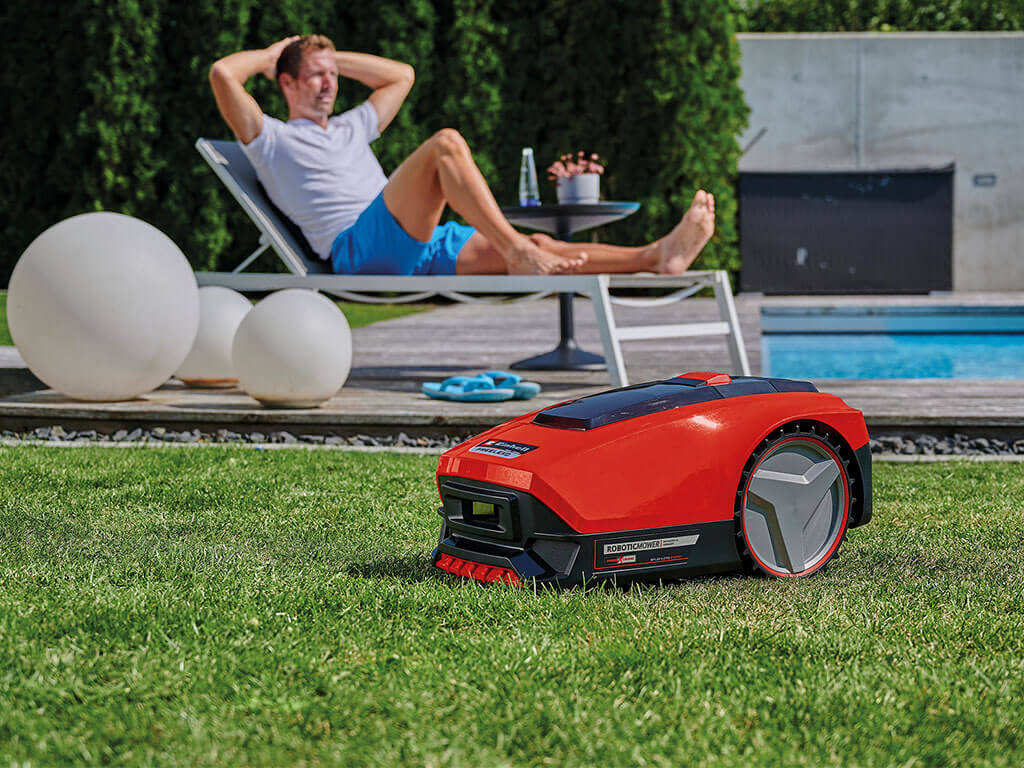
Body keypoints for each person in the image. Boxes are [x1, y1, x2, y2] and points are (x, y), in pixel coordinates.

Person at [209, 34, 716, 277]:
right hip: (361, 249)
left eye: (334, 75)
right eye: (316, 75)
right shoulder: (269, 137)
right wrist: (278, 53)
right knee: (444, 145)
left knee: (538, 241)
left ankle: (656, 258)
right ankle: (517, 251)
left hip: (416, 244)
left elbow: (400, 74)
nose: (330, 83)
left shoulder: (352, 126)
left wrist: (325, 55)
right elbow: (223, 75)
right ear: (286, 83)